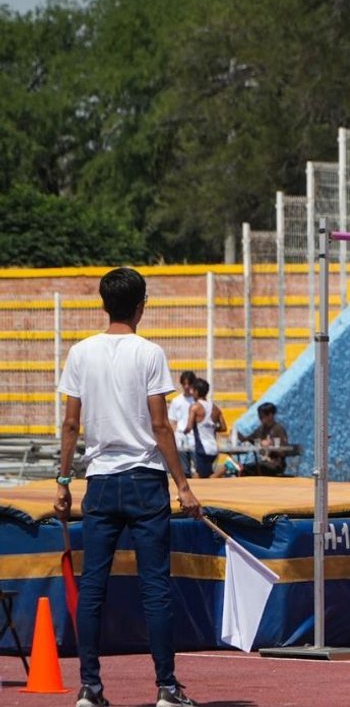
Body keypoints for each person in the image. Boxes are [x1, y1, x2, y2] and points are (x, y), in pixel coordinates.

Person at [52, 267, 202, 707]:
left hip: (99, 482)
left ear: (103, 304)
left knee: (93, 586)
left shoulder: (81, 353)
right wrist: (184, 485)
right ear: (142, 306)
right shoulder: (149, 353)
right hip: (144, 480)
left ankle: (90, 687)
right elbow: (160, 424)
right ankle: (166, 688)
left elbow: (70, 424)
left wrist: (63, 482)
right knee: (155, 587)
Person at [183, 378, 226, 479]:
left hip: (202, 449)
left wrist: (183, 432)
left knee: (203, 477)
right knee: (204, 475)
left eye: (192, 390)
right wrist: (212, 428)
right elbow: (223, 427)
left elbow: (189, 427)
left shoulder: (195, 407)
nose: (191, 393)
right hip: (214, 448)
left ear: (197, 391)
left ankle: (227, 467)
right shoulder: (215, 408)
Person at [235, 402, 291, 476]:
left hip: (275, 464)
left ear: (270, 415)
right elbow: (249, 440)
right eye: (259, 416)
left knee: (247, 469)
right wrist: (238, 435)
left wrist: (269, 447)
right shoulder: (261, 429)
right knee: (239, 468)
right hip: (264, 463)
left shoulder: (279, 429)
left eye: (262, 416)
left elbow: (283, 452)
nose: (260, 418)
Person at [167, 371, 196, 476]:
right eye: (184, 384)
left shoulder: (196, 401)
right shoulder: (176, 401)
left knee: (197, 472)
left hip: (195, 440)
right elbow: (173, 421)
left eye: (189, 384)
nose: (186, 387)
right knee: (185, 472)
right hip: (181, 440)